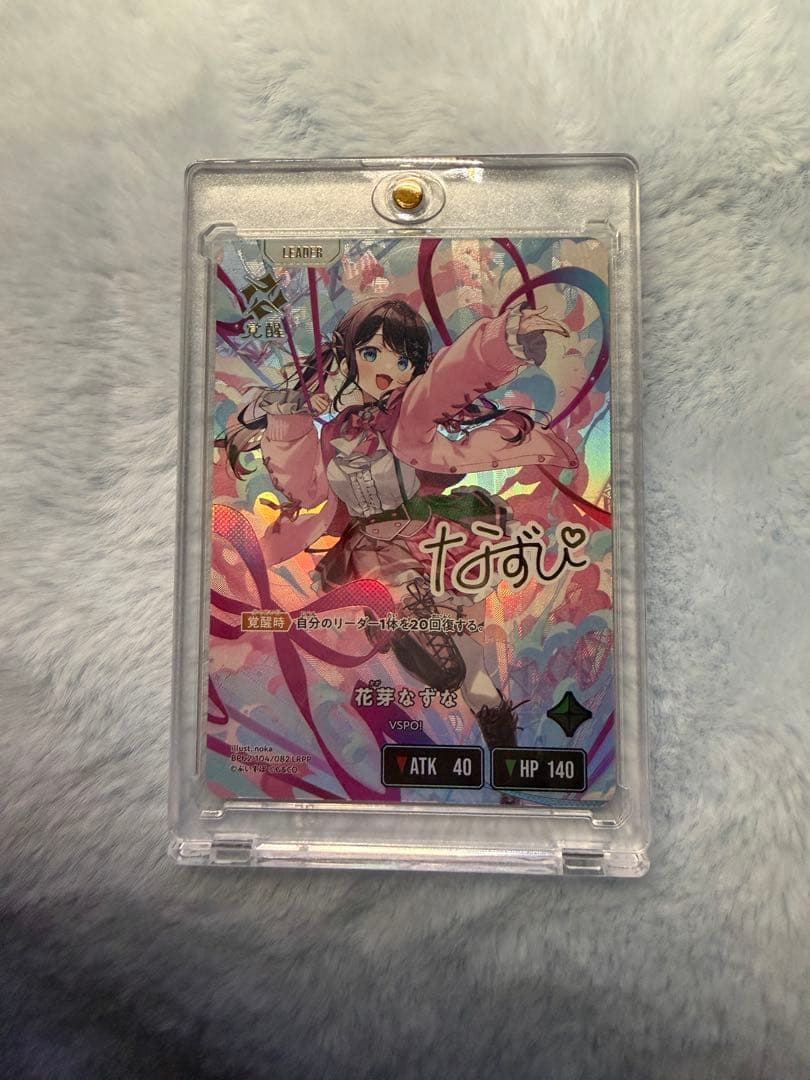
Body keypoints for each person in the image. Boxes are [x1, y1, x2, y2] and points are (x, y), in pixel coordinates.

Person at [223, 296, 577, 751]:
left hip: (430, 537)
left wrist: (504, 341)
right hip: (374, 547)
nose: (386, 370)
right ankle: (409, 626)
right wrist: (287, 422)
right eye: (371, 353)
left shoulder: (408, 414)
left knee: (471, 662)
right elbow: (305, 490)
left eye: (403, 360)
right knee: (411, 605)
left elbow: (446, 382)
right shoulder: (333, 432)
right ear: (347, 357)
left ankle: (501, 745)